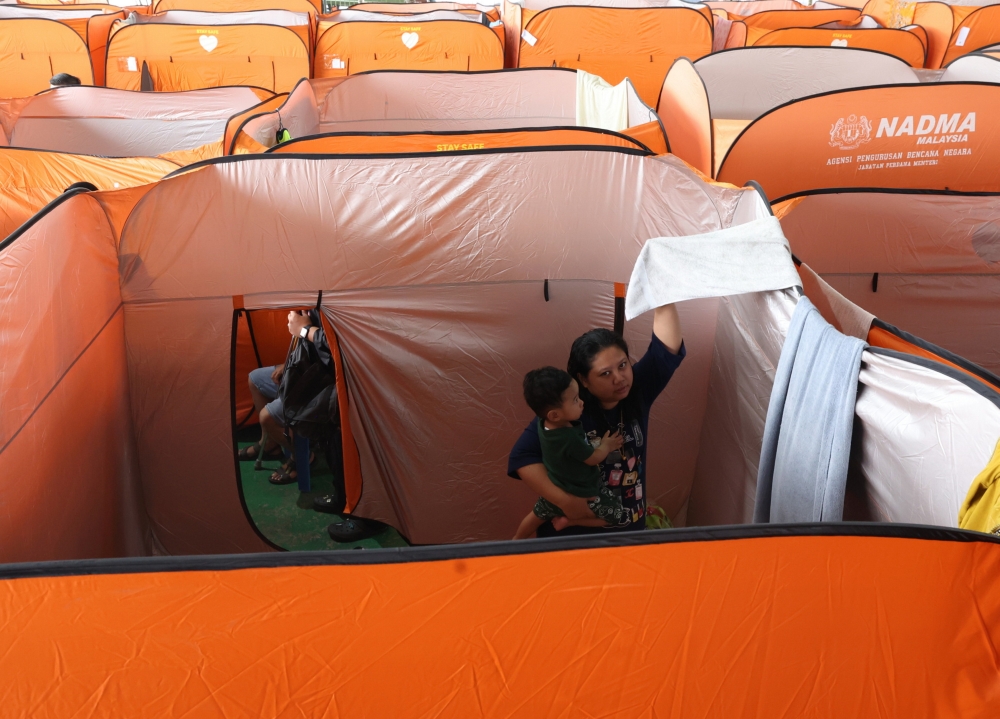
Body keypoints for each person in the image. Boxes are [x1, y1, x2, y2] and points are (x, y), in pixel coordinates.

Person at [508, 303, 684, 535]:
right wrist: (564, 501)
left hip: (629, 530)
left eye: (623, 365)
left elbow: (667, 349)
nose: (620, 378)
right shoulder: (570, 410)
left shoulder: (636, 391)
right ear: (584, 380)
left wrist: (663, 296)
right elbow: (522, 457)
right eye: (605, 373)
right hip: (570, 534)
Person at [513, 367, 628, 539]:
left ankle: (515, 541)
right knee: (617, 515)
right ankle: (570, 521)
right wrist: (606, 445)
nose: (582, 402)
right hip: (582, 491)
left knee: (535, 516)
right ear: (555, 415)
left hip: (555, 487)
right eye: (575, 400)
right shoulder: (569, 438)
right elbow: (593, 458)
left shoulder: (542, 423)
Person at [237, 310, 325, 485]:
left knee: (266, 416)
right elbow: (307, 347)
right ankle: (269, 443)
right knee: (255, 378)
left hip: (323, 380)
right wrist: (287, 365)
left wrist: (304, 329)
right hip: (305, 366)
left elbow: (331, 346)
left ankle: (303, 456)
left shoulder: (335, 307)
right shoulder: (311, 302)